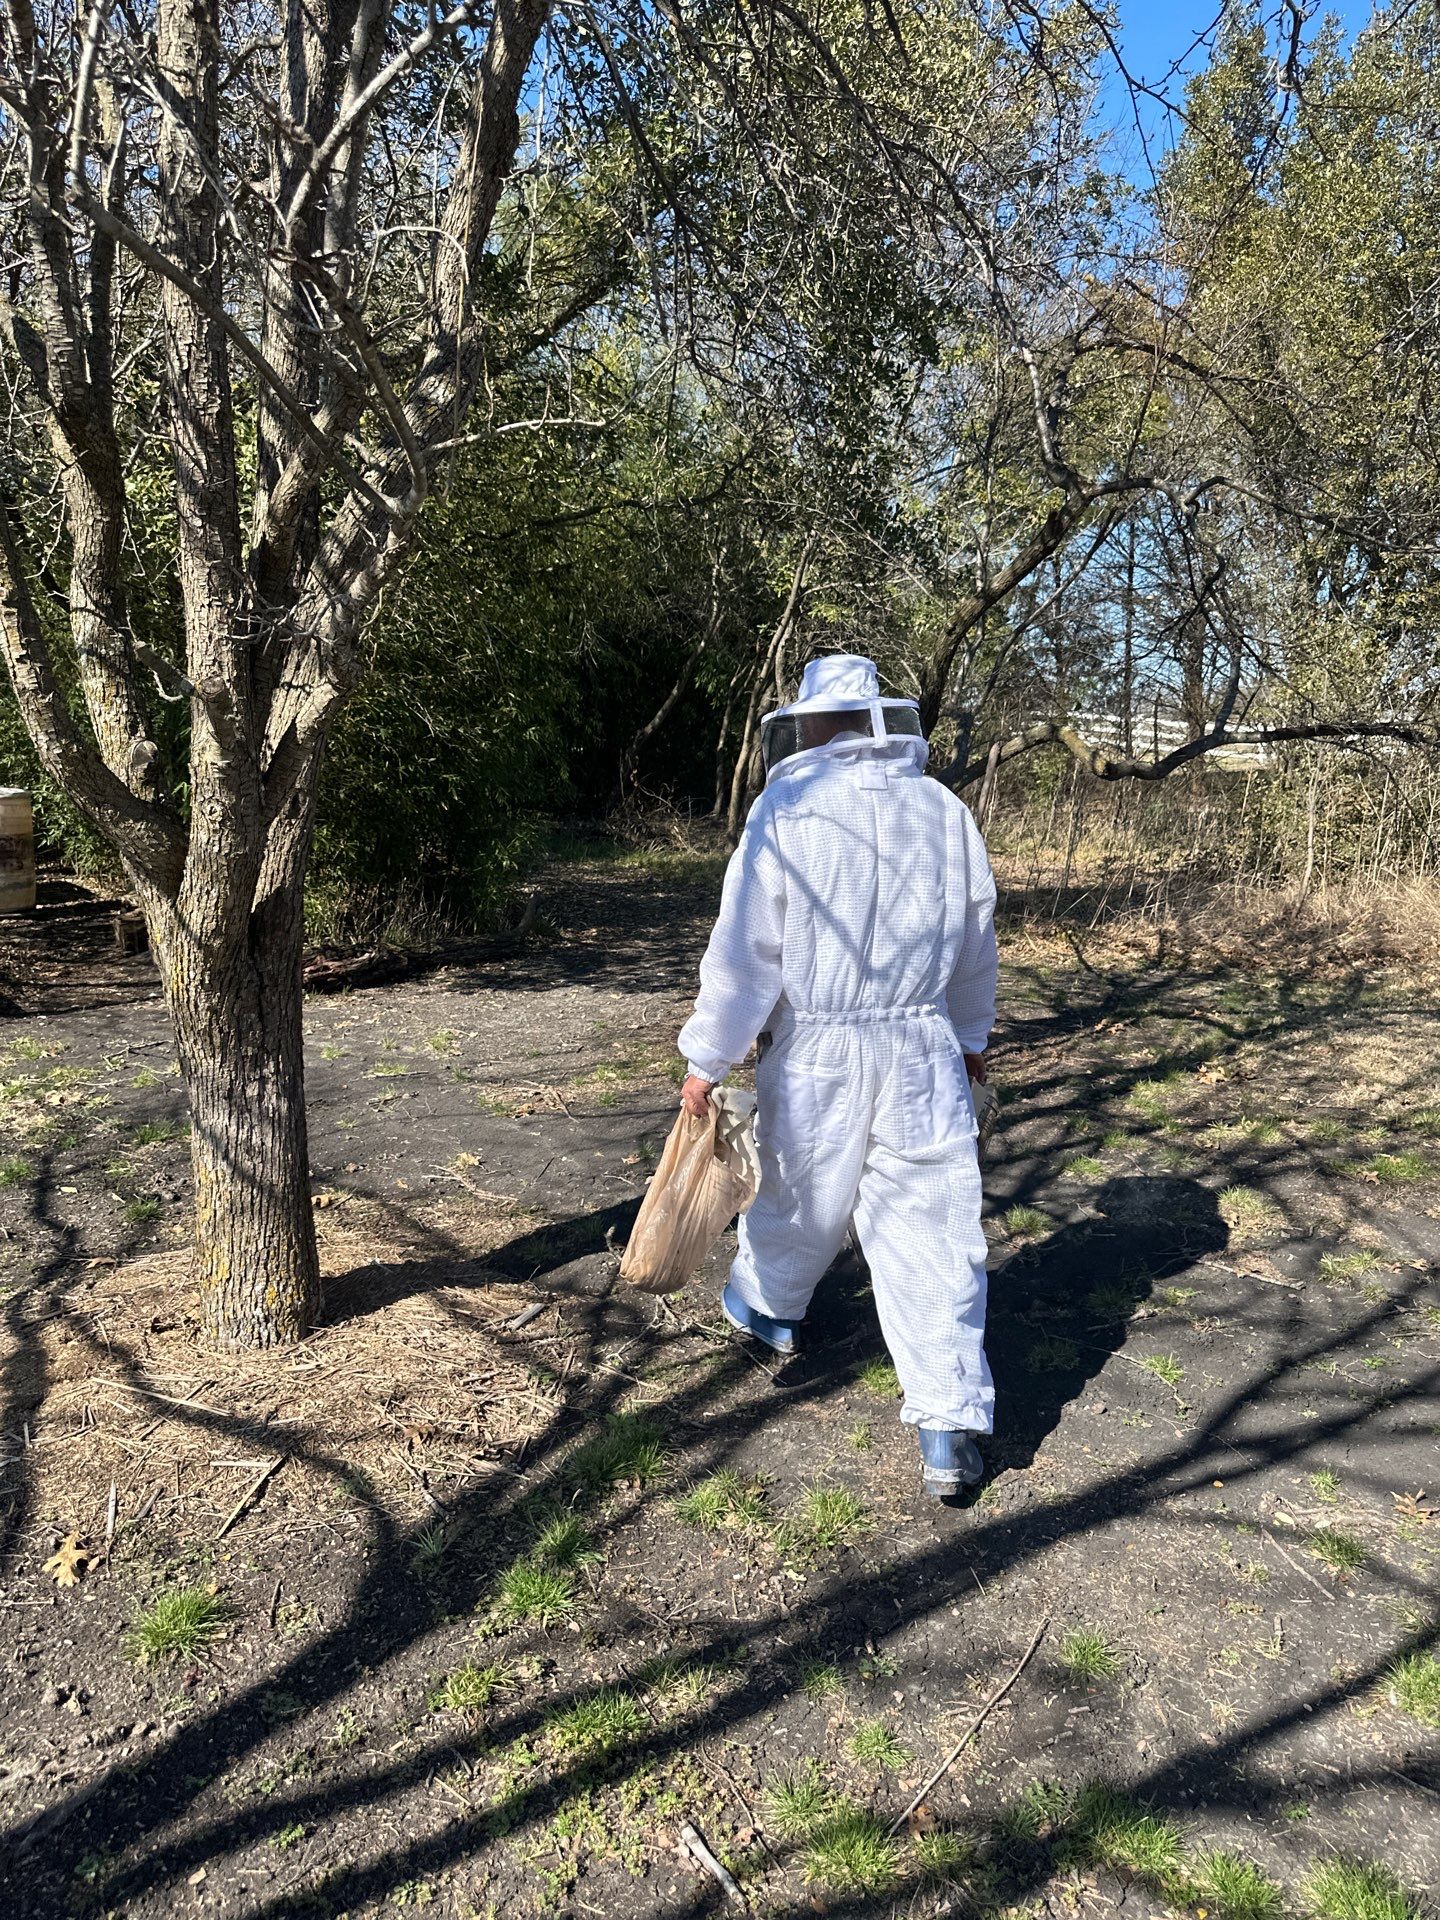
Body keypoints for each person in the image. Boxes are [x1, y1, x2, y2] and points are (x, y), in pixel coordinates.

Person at [677, 654, 998, 1499]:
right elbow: (976, 940)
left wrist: (708, 1057)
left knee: (798, 1189)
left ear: (817, 724)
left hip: (821, 1047)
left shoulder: (785, 808)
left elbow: (746, 952)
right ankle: (948, 1424)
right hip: (924, 1046)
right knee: (933, 1222)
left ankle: (770, 1315)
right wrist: (968, 1040)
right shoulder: (945, 811)